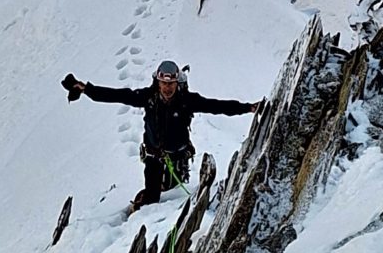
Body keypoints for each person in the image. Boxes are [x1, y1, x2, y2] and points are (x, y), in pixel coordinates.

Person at [63, 58, 261, 208]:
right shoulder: (148, 97)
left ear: (177, 83)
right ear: (157, 82)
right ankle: (142, 204)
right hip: (154, 157)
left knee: (175, 193)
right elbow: (117, 95)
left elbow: (216, 106)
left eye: (171, 83)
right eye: (164, 83)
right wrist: (86, 89)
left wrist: (247, 108)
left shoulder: (186, 101)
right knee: (153, 198)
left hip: (178, 157)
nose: (167, 88)